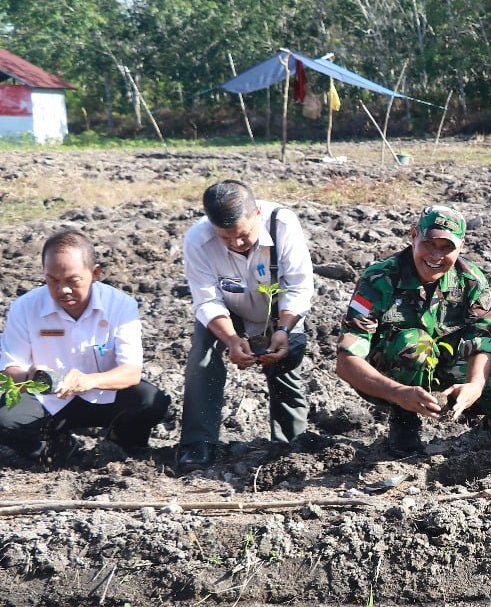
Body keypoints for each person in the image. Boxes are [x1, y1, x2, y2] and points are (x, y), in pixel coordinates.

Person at [336, 205, 491, 455]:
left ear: (461, 246)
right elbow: (346, 361)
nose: (436, 255)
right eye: (430, 244)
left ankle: (480, 444)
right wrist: (399, 394)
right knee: (416, 343)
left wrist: (474, 385)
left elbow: (480, 340)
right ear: (413, 235)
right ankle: (404, 424)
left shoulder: (470, 280)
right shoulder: (380, 278)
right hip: (387, 377)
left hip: (444, 368)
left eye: (447, 248)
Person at [177, 180, 314, 470]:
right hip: (229, 312)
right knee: (202, 353)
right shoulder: (197, 241)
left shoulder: (282, 225)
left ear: (257, 213)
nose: (236, 243)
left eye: (243, 235)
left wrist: (284, 330)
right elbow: (206, 300)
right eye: (226, 238)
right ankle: (197, 442)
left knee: (287, 357)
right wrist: (230, 340)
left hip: (277, 311)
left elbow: (299, 287)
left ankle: (290, 442)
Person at [0, 230, 170, 459]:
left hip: (104, 397)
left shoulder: (120, 305)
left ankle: (120, 443)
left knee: (150, 401)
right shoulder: (25, 307)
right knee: (4, 417)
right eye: (53, 281)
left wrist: (87, 381)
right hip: (48, 400)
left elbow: (130, 373)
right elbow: (10, 369)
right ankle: (56, 447)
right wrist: (31, 375)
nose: (63, 290)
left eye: (72, 280)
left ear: (95, 273)